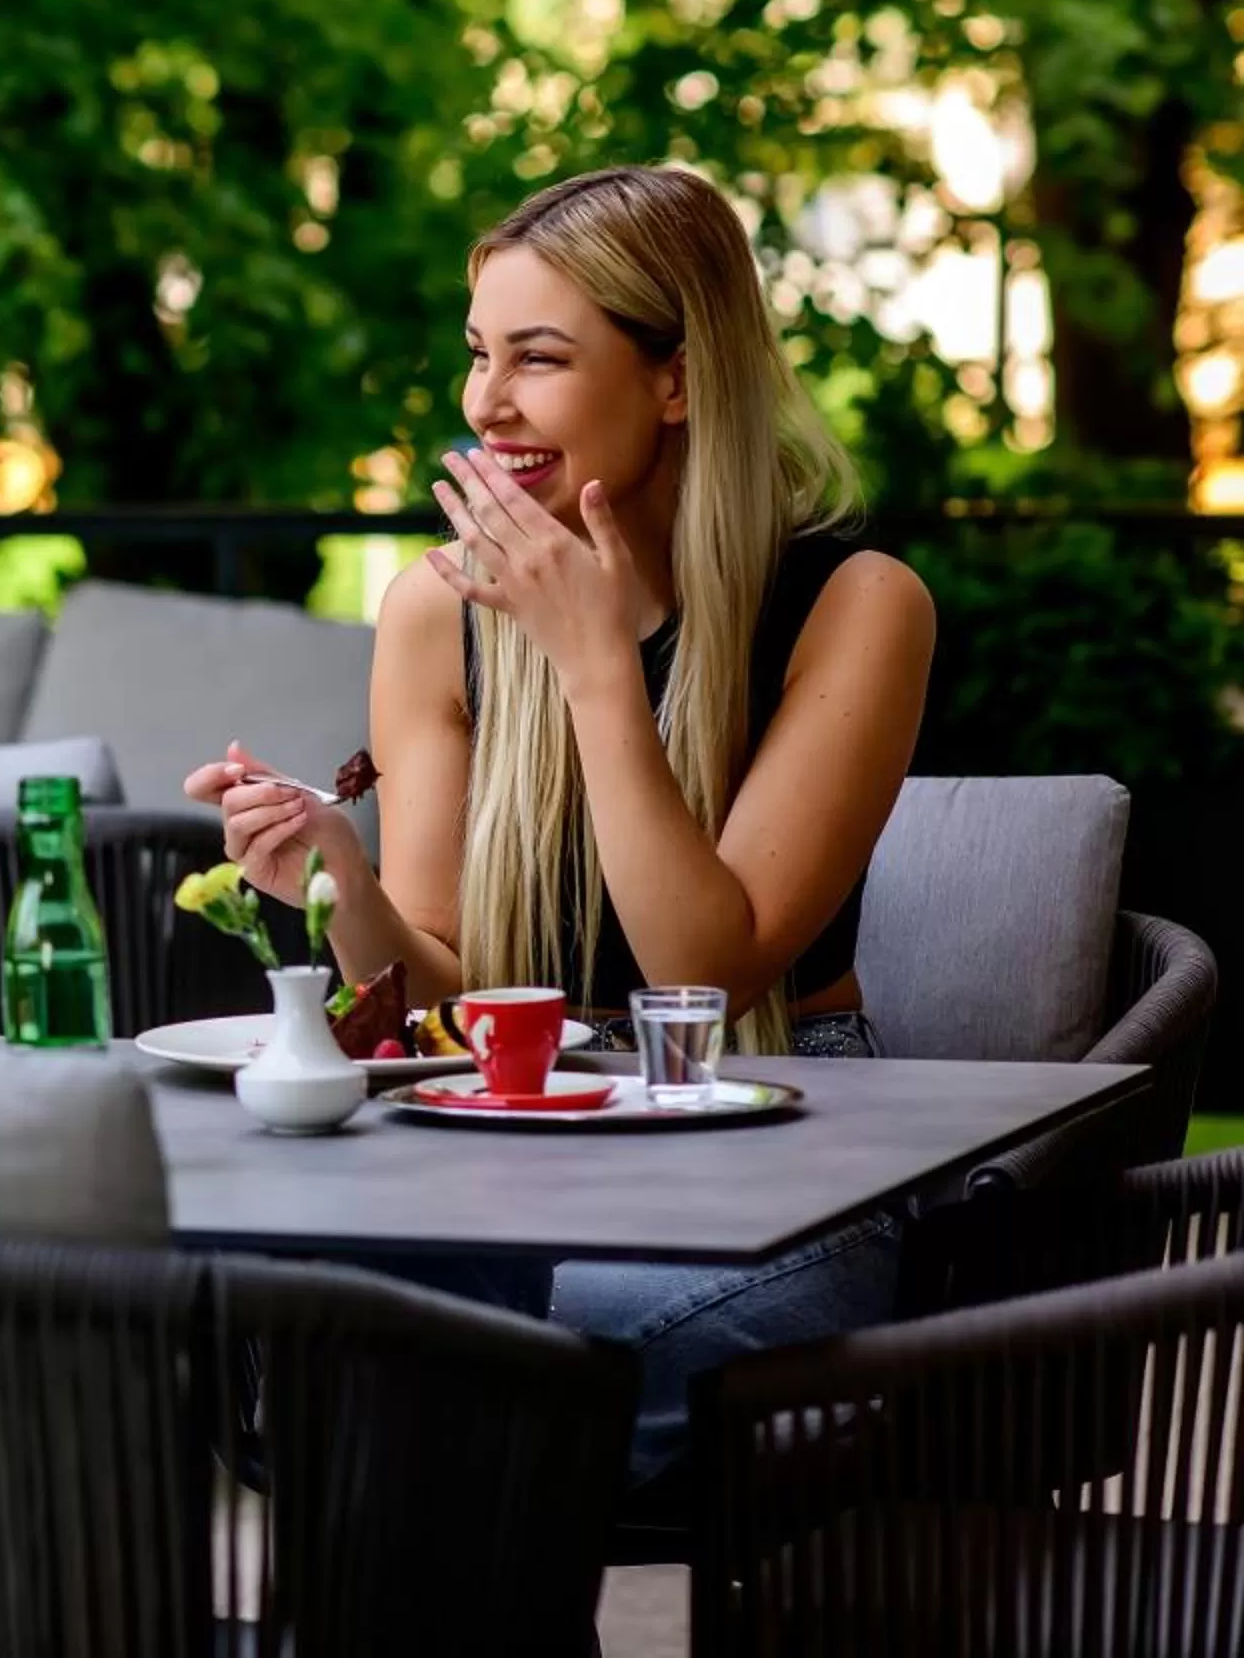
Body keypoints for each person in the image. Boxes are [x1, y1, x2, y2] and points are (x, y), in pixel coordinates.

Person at [186, 164, 936, 1489]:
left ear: (677, 381)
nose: (487, 404)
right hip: (521, 1138)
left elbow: (708, 970)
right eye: (480, 355)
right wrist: (341, 880)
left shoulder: (856, 605)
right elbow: (445, 988)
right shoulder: (438, 611)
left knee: (520, 1362)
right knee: (295, 1314)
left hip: (780, 1132)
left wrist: (595, 666)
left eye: (538, 358)